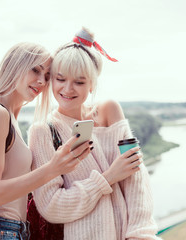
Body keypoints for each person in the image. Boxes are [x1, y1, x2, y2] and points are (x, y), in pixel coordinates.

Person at [28, 28, 160, 240]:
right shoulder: (43, 131)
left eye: (79, 82)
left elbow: (136, 175)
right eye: (60, 79)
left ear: (91, 85)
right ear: (51, 79)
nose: (68, 89)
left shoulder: (109, 111)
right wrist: (107, 178)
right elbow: (52, 207)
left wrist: (140, 233)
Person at [0, 42, 93, 240]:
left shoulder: (8, 115)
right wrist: (52, 169)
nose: (42, 81)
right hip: (3, 230)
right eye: (36, 70)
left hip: (13, 230)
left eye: (47, 76)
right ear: (15, 65)